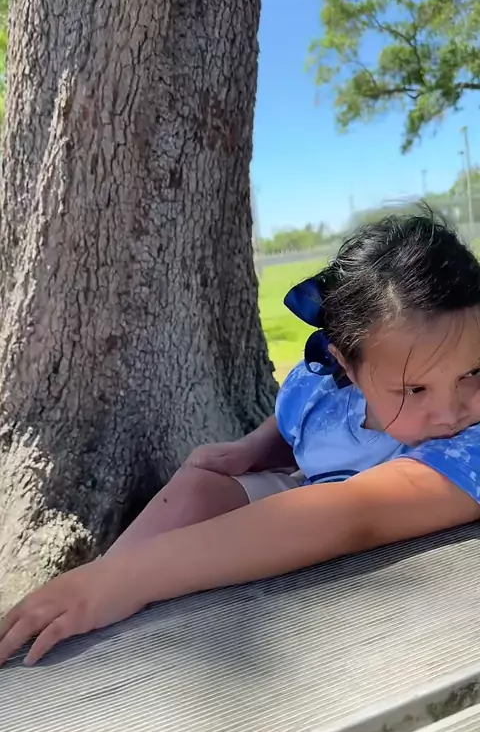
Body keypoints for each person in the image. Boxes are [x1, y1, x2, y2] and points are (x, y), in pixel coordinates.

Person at [2, 210, 480, 668]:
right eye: (415, 390)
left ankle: (107, 594)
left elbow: (354, 513)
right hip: (308, 503)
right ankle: (76, 606)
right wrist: (254, 448)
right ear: (347, 367)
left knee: (141, 582)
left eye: (474, 373)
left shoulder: (471, 442)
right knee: (197, 489)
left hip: (353, 580)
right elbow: (300, 422)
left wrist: (133, 577)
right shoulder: (325, 388)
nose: (451, 411)